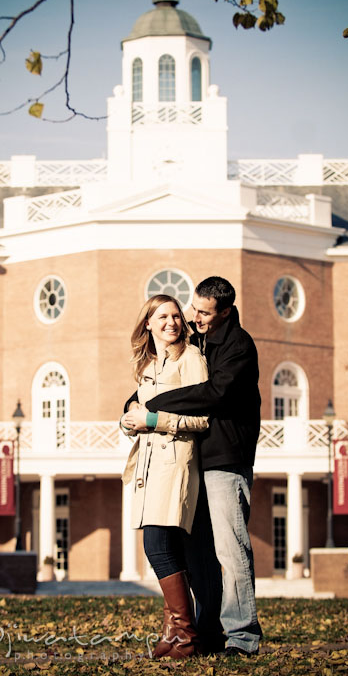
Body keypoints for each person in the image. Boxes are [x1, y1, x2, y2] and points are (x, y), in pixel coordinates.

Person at [125, 276, 262, 657]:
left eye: (203, 312)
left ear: (226, 312)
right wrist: (132, 406)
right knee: (197, 550)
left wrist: (153, 410)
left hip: (225, 458)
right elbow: (153, 389)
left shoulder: (238, 346)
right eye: (194, 308)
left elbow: (212, 395)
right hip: (194, 460)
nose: (192, 318)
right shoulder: (198, 339)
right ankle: (202, 632)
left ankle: (243, 637)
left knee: (230, 549)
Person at [120, 294, 209, 659]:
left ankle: (186, 635)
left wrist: (153, 420)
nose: (172, 322)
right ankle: (173, 633)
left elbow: (203, 419)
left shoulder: (191, 359)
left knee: (157, 546)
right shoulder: (148, 366)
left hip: (176, 463)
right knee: (164, 549)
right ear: (148, 324)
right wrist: (130, 422)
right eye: (162, 316)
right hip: (148, 465)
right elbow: (140, 412)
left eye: (176, 315)